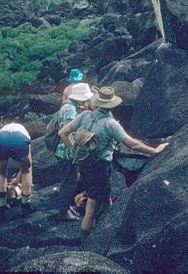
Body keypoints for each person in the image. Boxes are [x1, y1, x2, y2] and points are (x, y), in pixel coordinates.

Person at [59, 86, 169, 241]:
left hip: (84, 165)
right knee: (91, 210)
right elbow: (133, 145)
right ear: (111, 105)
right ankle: (86, 245)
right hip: (100, 168)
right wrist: (155, 150)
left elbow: (62, 132)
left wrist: (74, 149)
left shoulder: (84, 115)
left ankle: (108, 222)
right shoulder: (110, 124)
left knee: (104, 195)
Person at [55, 82, 93, 221]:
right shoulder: (70, 109)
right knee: (69, 182)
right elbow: (66, 132)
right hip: (67, 152)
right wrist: (73, 150)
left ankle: (65, 207)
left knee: (69, 180)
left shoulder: (68, 105)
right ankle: (63, 212)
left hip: (63, 151)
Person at [0, 122, 34, 215]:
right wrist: (18, 179)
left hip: (1, 141)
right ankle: (26, 203)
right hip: (19, 140)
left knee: (1, 173)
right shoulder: (25, 134)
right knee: (27, 171)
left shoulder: (1, 133)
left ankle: (1, 206)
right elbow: (26, 165)